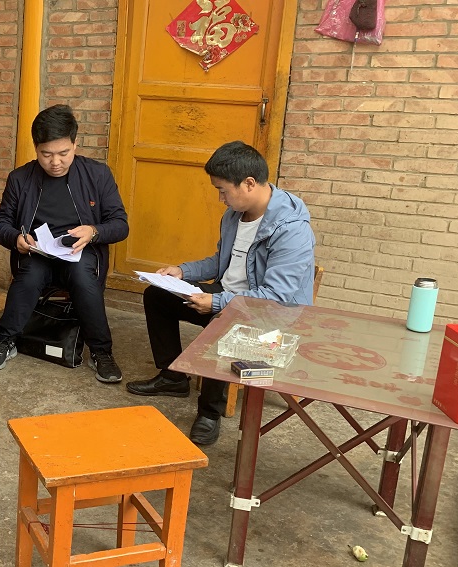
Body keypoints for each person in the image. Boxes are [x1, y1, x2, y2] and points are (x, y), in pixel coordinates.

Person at [125, 140, 316, 445]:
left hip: (271, 320)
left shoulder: (291, 229)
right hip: (229, 296)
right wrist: (183, 272)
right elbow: (223, 261)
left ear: (249, 183)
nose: (220, 198)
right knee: (157, 296)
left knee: (223, 322)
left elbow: (277, 296)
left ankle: (209, 413)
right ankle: (173, 376)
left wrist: (217, 302)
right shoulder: (235, 215)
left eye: (223, 190)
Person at [0, 104, 128, 383]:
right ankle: (5, 341)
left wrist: (93, 231)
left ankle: (102, 352)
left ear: (75, 144)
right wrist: (16, 239)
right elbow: (0, 224)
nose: (55, 162)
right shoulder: (20, 179)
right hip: (38, 253)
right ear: (36, 148)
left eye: (64, 153)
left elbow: (120, 224)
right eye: (46, 154)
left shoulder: (97, 175)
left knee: (83, 277)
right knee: (29, 275)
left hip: (80, 252)